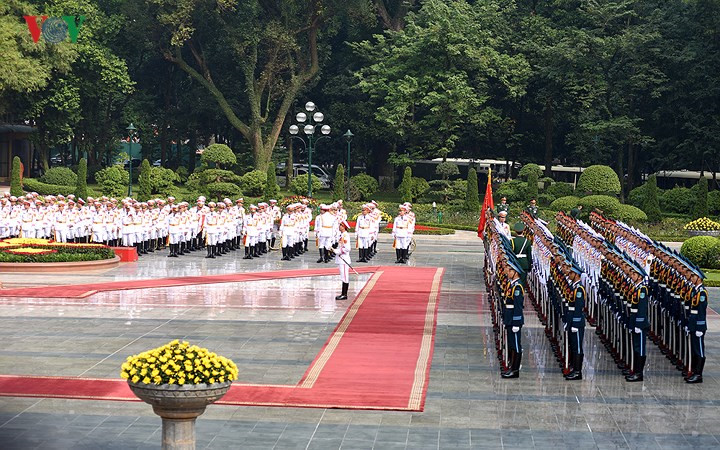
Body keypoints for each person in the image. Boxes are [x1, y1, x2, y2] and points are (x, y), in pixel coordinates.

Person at [501, 266, 525, 379]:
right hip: (509, 318)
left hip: (514, 319)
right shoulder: (513, 285)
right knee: (511, 343)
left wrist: (516, 322)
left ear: (515, 272)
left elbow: (518, 307)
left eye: (510, 270)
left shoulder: (518, 287)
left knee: (516, 345)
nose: (508, 272)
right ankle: (512, 367)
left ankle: (515, 370)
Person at [332, 220, 352, 300]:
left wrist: (337, 251)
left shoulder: (345, 235)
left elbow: (347, 248)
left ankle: (344, 294)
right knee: (343, 276)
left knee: (345, 277)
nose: (339, 226)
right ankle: (343, 293)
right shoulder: (342, 235)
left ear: (343, 227)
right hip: (340, 258)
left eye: (340, 225)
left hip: (344, 259)